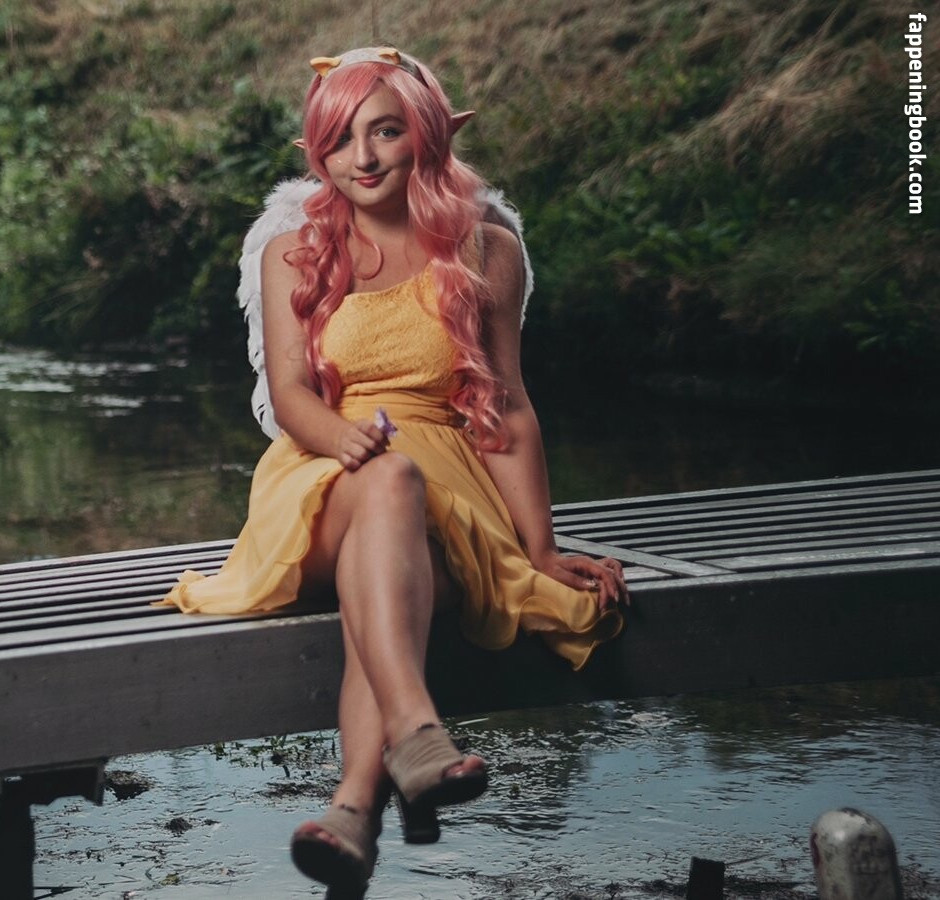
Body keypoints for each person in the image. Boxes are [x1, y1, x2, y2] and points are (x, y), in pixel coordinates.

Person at [155, 46, 628, 897]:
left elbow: (508, 406)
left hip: (448, 491)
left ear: (428, 135)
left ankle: (351, 812)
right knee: (389, 481)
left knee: (391, 590)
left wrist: (540, 548)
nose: (362, 159)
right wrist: (343, 441)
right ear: (318, 152)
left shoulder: (486, 251)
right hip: (323, 475)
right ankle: (416, 729)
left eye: (385, 132)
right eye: (339, 140)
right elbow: (290, 395)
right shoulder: (293, 252)